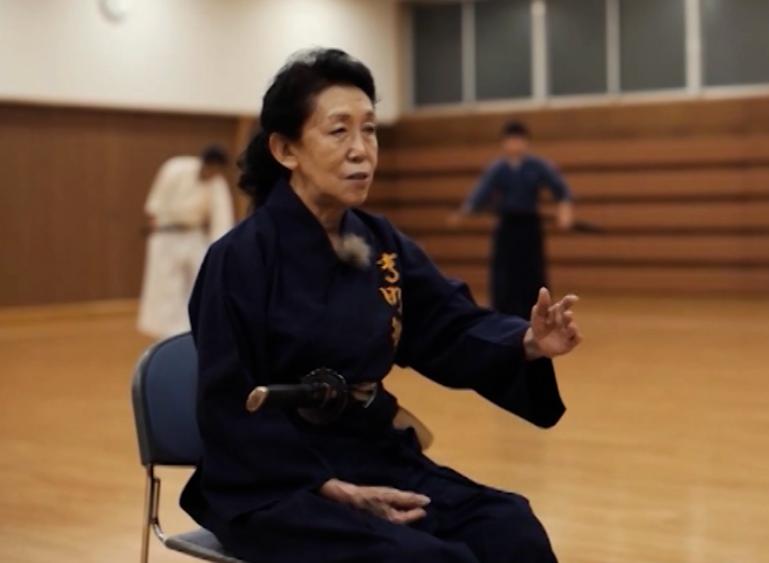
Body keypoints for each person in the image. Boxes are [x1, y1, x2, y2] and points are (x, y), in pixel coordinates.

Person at [181, 49, 582, 563]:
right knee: (424, 560)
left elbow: (446, 325)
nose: (361, 150)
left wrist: (525, 342)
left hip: (369, 450)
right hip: (273, 477)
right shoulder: (239, 258)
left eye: (369, 130)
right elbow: (227, 400)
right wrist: (328, 487)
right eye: (339, 131)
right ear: (285, 149)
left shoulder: (381, 244)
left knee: (510, 528)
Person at [450, 121, 575, 319]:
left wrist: (565, 211)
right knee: (504, 273)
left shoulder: (538, 166)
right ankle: (503, 315)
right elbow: (480, 194)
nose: (515, 144)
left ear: (526, 142)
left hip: (530, 226)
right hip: (507, 226)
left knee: (533, 270)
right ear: (504, 143)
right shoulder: (497, 168)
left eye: (519, 140)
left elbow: (561, 190)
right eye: (510, 140)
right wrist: (465, 212)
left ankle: (538, 312)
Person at [137, 145, 234, 338]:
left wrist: (219, 248)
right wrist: (156, 223)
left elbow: (222, 219)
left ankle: (194, 326)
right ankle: (165, 332)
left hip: (193, 234)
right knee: (166, 284)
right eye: (212, 169)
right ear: (205, 163)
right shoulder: (175, 168)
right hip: (166, 234)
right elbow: (156, 202)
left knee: (200, 278)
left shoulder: (217, 183)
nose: (214, 174)